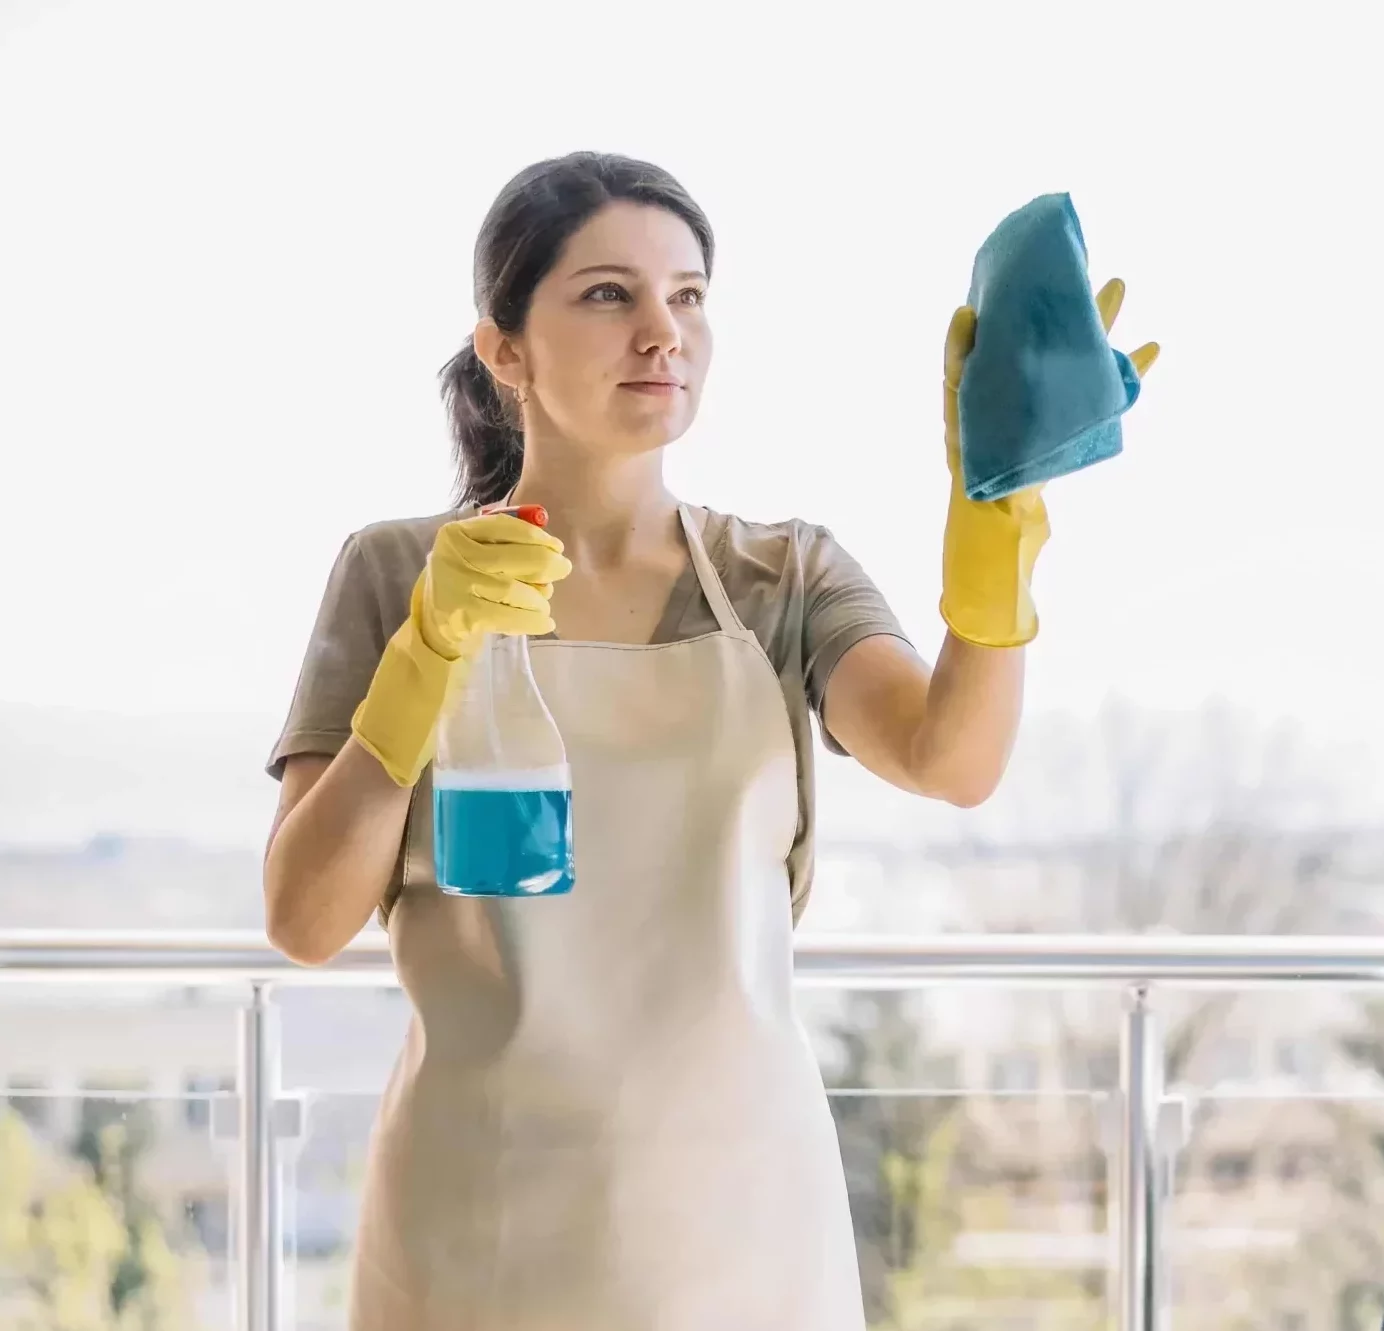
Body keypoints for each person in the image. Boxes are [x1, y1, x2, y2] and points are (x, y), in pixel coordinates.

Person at [263, 151, 1158, 1330]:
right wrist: (425, 654)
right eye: (606, 294)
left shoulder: (780, 575)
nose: (661, 331)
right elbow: (306, 917)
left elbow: (948, 755)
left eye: (687, 295)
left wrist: (992, 523)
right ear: (503, 349)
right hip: (476, 1209)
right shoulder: (397, 573)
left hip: (743, 1214)